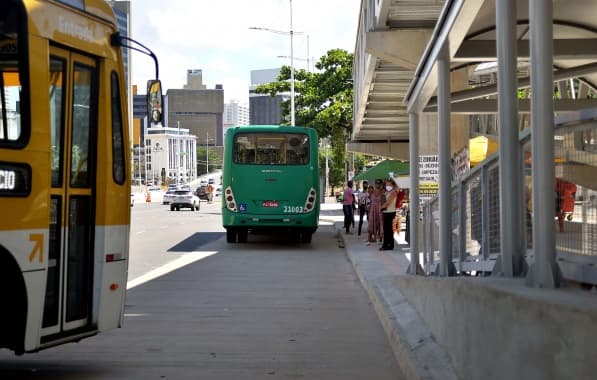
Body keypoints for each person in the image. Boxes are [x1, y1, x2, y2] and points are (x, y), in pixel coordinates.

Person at [379, 178, 399, 251]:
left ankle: (387, 245)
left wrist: (381, 208)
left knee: (388, 230)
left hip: (390, 212)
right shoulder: (386, 192)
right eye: (387, 184)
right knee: (387, 230)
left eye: (390, 185)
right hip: (386, 212)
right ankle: (389, 245)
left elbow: (388, 203)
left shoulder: (393, 192)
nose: (388, 186)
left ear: (393, 185)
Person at [367, 180, 384, 245]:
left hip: (380, 210)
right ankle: (371, 238)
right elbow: (369, 201)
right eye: (376, 183)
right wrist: (368, 207)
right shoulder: (372, 192)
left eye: (379, 183)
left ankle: (380, 238)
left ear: (381, 184)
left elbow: (384, 202)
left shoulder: (383, 192)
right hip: (372, 210)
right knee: (372, 224)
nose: (377, 185)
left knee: (380, 224)